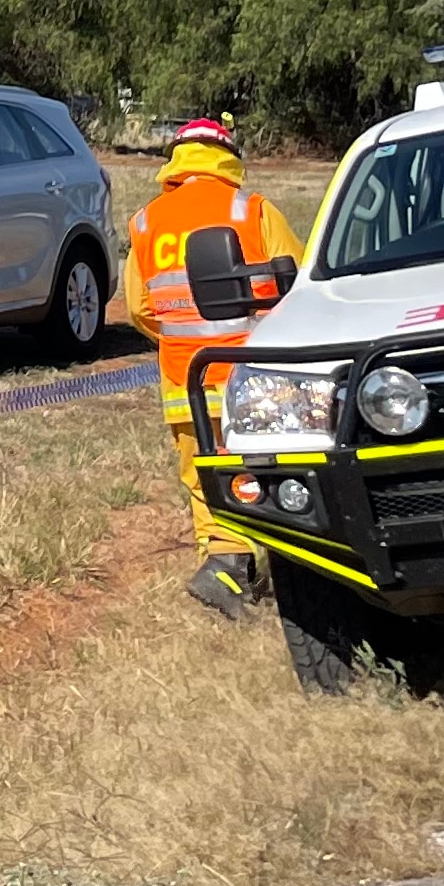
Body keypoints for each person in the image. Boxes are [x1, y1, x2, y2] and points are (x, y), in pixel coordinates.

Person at [129, 113, 305, 614]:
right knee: (258, 469)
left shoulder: (147, 221)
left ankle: (224, 566)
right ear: (227, 155)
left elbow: (139, 307)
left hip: (184, 377)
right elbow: (297, 285)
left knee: (203, 474)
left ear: (177, 160)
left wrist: (180, 336)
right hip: (249, 375)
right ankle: (240, 566)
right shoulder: (251, 209)